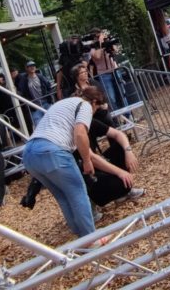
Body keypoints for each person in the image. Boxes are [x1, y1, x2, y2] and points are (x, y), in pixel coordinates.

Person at [22, 84, 110, 238]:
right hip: (52, 150)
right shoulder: (85, 106)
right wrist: (87, 160)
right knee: (78, 192)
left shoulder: (62, 103)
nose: (95, 112)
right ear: (95, 102)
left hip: (30, 154)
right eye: (97, 107)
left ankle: (81, 237)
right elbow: (80, 133)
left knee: (63, 195)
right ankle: (90, 238)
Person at [89, 30, 123, 110]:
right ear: (94, 38)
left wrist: (108, 42)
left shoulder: (107, 42)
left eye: (100, 36)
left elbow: (116, 51)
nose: (99, 38)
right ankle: (118, 119)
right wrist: (101, 45)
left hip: (115, 71)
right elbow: (97, 57)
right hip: (104, 75)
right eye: (97, 37)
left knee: (122, 93)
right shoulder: (92, 48)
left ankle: (128, 115)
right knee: (111, 98)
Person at [17, 60, 54, 125]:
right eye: (30, 66)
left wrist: (49, 97)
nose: (32, 67)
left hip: (46, 103)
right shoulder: (24, 80)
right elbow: (21, 92)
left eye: (33, 66)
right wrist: (28, 101)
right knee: (38, 124)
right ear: (26, 68)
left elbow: (49, 86)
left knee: (52, 121)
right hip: (34, 106)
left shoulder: (40, 76)